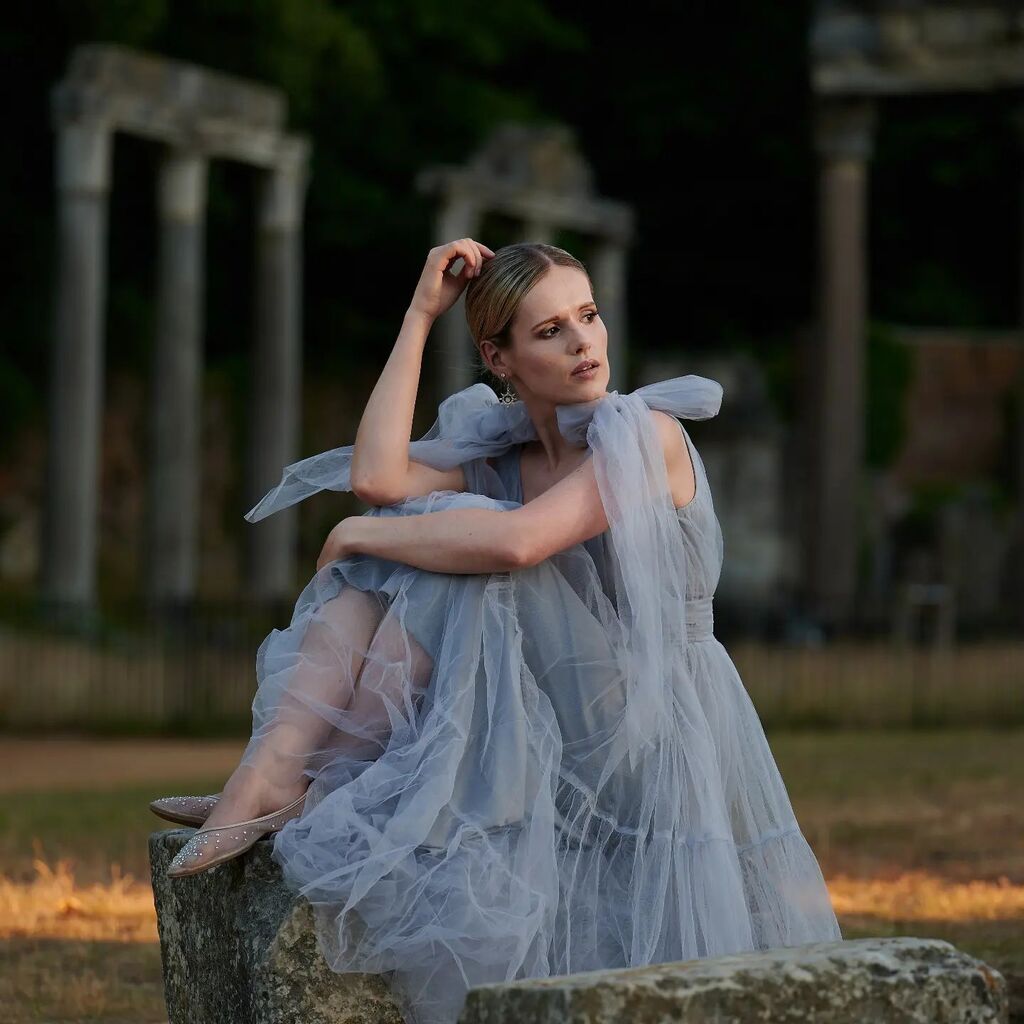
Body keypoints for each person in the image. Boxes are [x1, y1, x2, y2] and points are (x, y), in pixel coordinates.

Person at [150, 239, 842, 1024]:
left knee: (456, 532)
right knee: (429, 525)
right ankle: (274, 770)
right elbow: (376, 478)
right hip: (568, 711)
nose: (584, 342)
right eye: (550, 331)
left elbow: (518, 544)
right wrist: (419, 314)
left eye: (587, 316)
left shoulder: (645, 436)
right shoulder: (502, 451)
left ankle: (305, 779)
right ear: (498, 358)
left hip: (652, 723)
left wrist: (359, 536)